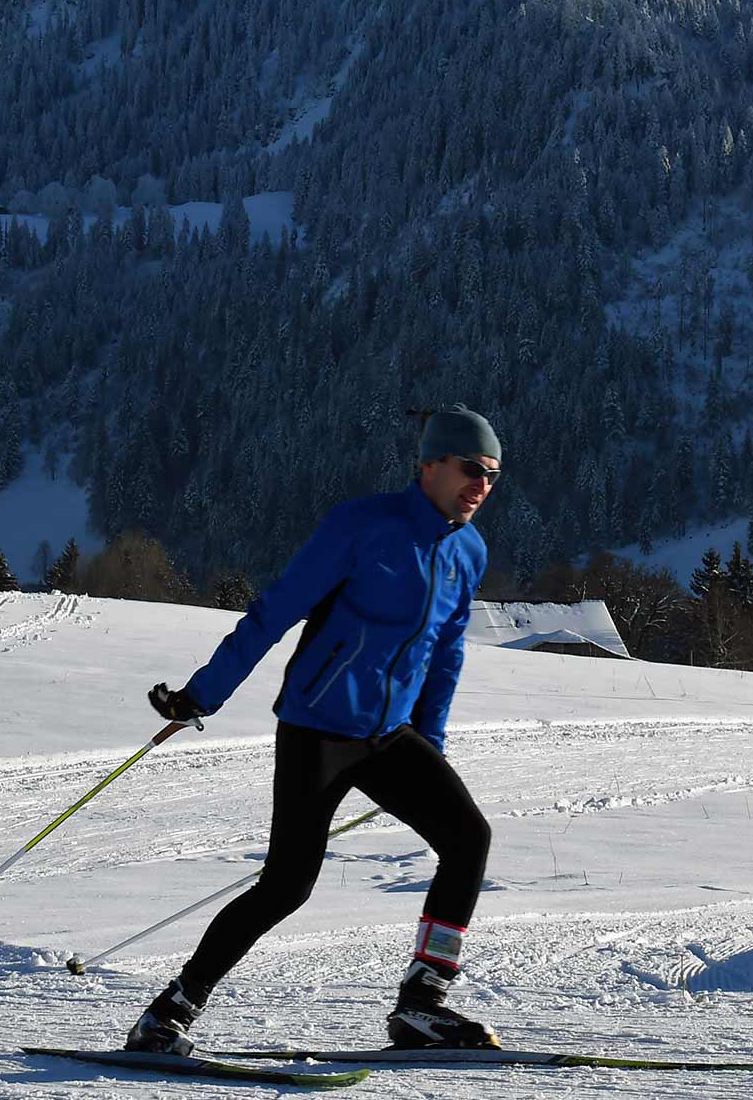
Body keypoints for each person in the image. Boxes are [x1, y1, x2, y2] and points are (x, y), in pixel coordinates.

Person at [124, 404, 502, 1056]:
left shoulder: (467, 552)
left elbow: (446, 654)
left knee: (467, 837)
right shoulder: (363, 526)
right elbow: (274, 613)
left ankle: (422, 1004)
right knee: (287, 885)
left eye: (494, 476)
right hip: (317, 730)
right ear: (430, 465)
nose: (482, 485)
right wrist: (200, 696)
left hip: (390, 737)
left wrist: (429, 751)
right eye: (471, 469)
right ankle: (168, 1013)